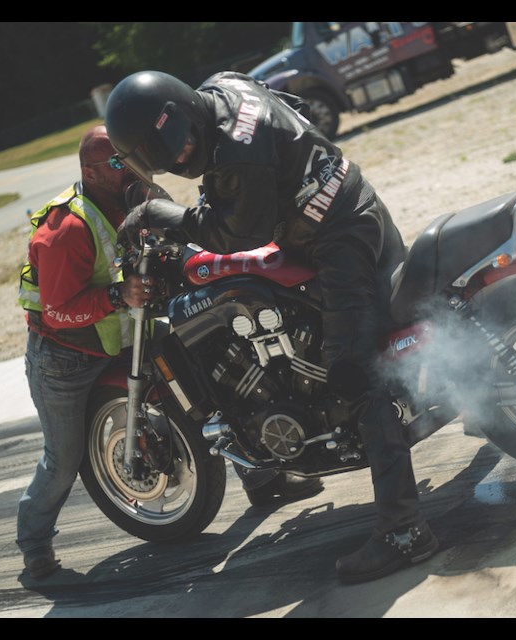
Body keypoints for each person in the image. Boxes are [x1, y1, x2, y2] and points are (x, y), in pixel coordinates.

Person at [104, 70, 438, 584]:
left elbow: (239, 232)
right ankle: (270, 471)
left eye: (184, 141)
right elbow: (288, 101)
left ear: (187, 110)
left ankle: (405, 531)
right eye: (169, 153)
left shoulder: (236, 153)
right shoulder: (225, 84)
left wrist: (170, 216)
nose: (184, 153)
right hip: (351, 201)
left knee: (351, 371)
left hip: (337, 238)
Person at [14, 125, 320, 581]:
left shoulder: (137, 200)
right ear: (90, 173)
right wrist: (120, 296)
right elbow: (58, 313)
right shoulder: (67, 230)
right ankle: (34, 543)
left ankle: (263, 478)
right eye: (118, 164)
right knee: (64, 456)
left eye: (132, 159)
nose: (130, 171)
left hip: (128, 332)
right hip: (66, 355)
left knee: (206, 376)